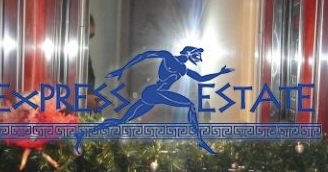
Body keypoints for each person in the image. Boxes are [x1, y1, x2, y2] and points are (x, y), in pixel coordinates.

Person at [74, 45, 233, 155]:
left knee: (122, 121)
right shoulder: (168, 57)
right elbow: (144, 56)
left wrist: (220, 73)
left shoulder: (183, 68)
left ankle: (84, 132)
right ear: (189, 53)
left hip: (153, 96)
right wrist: (122, 69)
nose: (198, 59)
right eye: (196, 55)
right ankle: (200, 140)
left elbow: (202, 78)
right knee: (190, 105)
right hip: (155, 92)